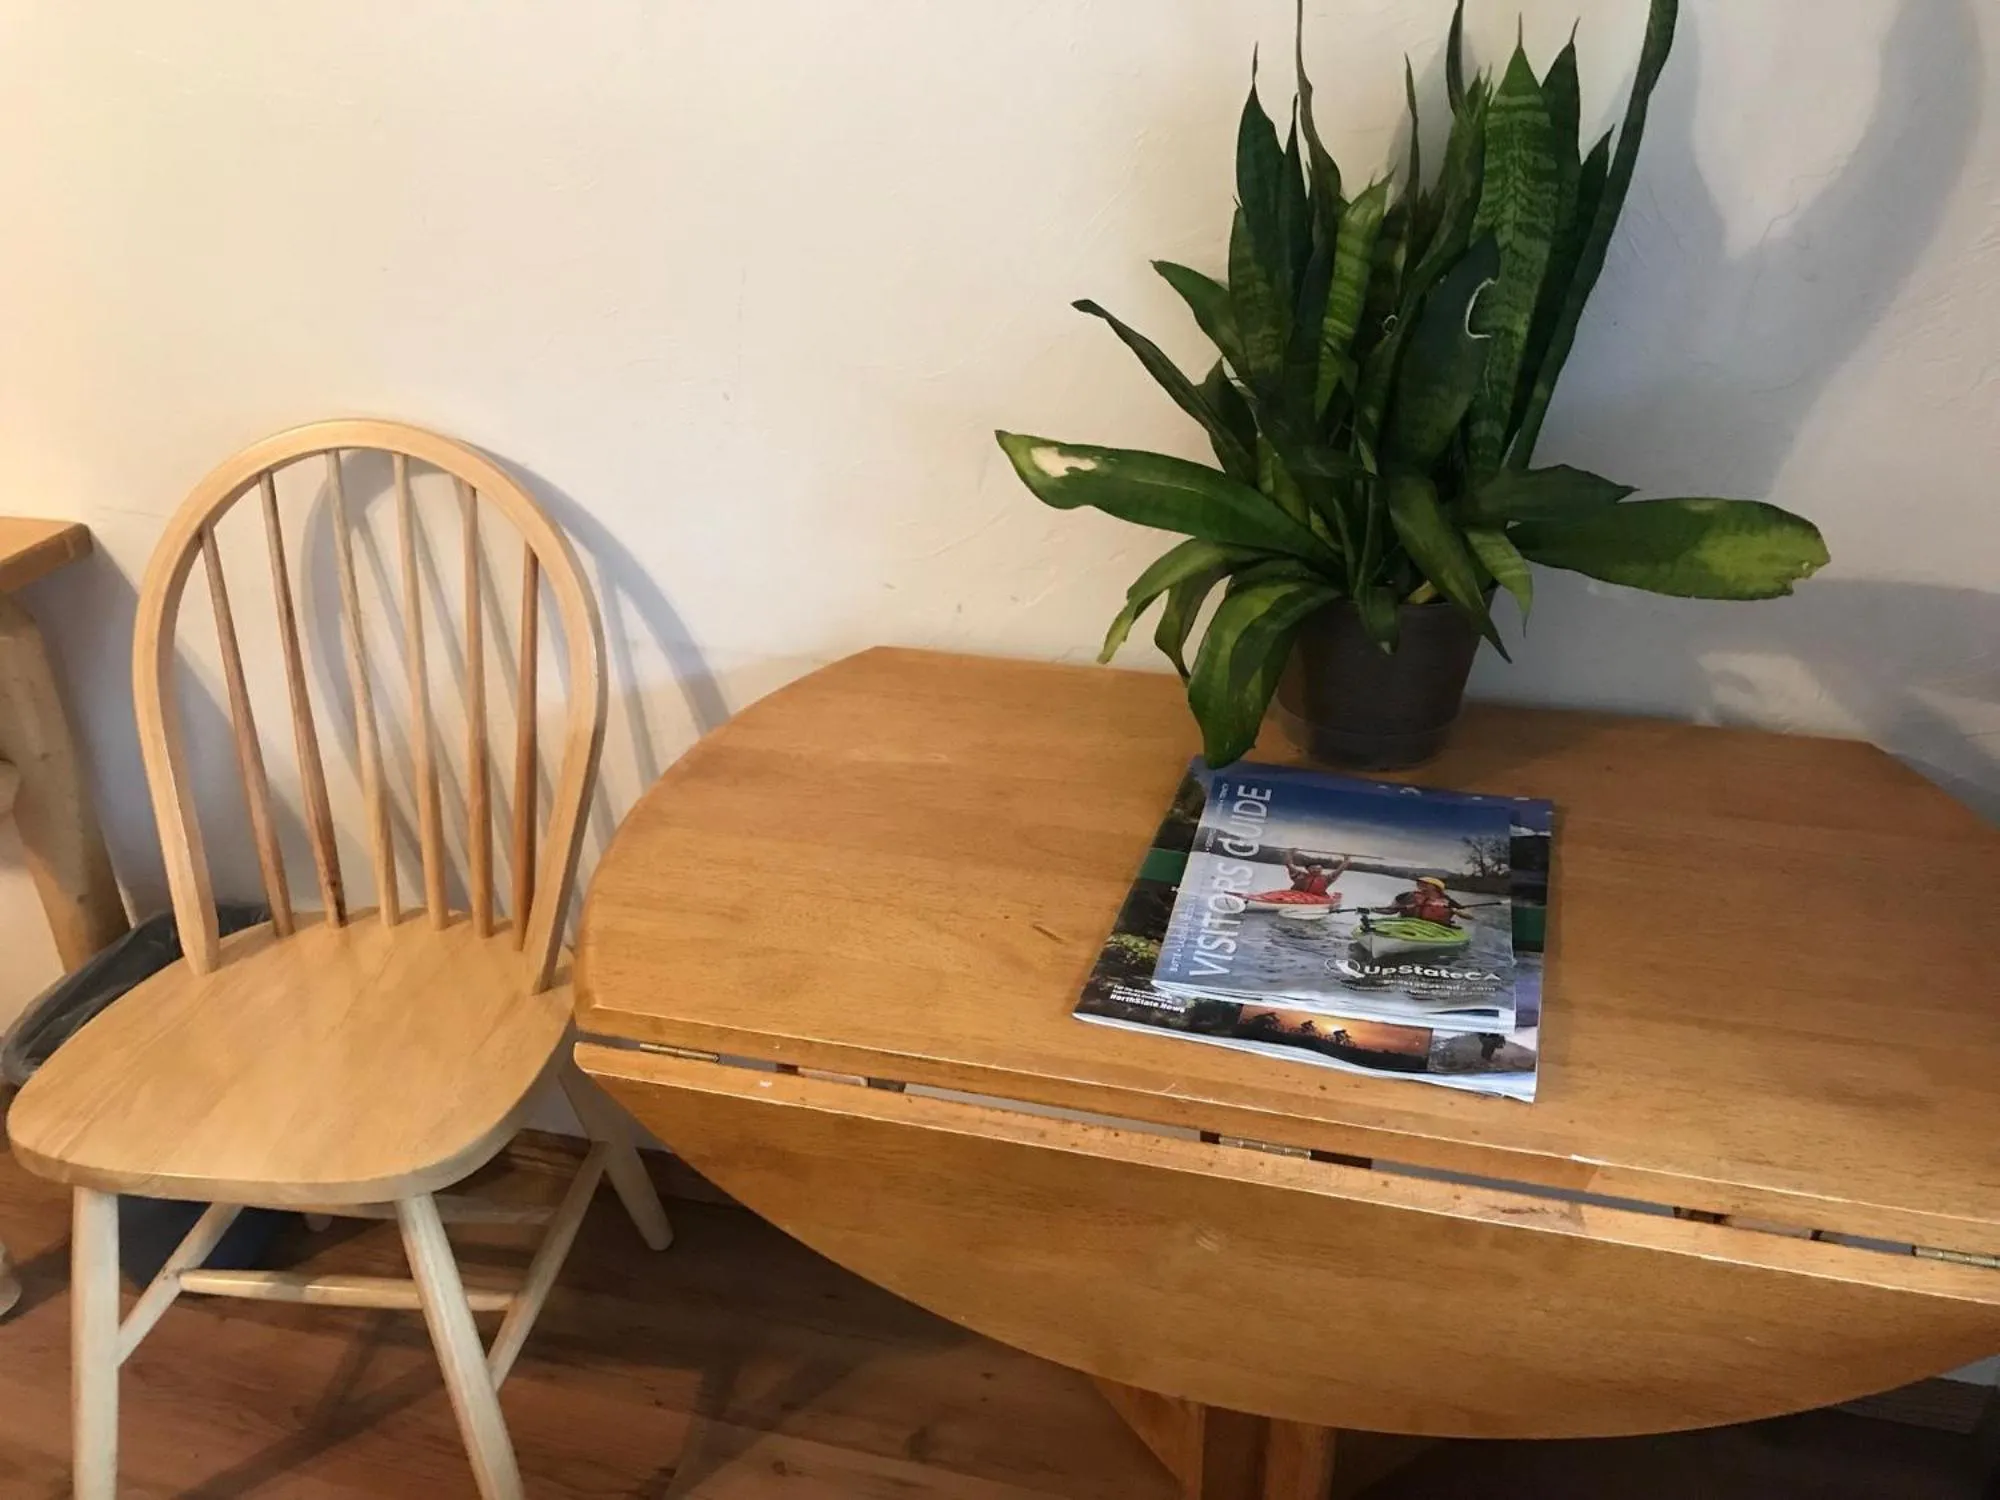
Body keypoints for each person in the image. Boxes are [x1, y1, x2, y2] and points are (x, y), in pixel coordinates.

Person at [1382, 876, 1467, 926]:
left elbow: (1469, 916)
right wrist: (1377, 910)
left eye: (1425, 883)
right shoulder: (1407, 896)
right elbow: (1390, 910)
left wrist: (1455, 911)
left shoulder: (1448, 901)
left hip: (1436, 930)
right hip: (1408, 925)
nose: (1420, 884)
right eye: (1419, 883)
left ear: (1435, 887)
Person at [1284, 849, 1350, 897]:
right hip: (1297, 896)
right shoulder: (1301, 875)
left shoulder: (1326, 879)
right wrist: (1289, 854)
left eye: (1319, 868)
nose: (1316, 870)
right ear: (1308, 869)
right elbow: (1289, 864)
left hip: (1317, 899)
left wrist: (1346, 860)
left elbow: (1339, 871)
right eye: (1313, 868)